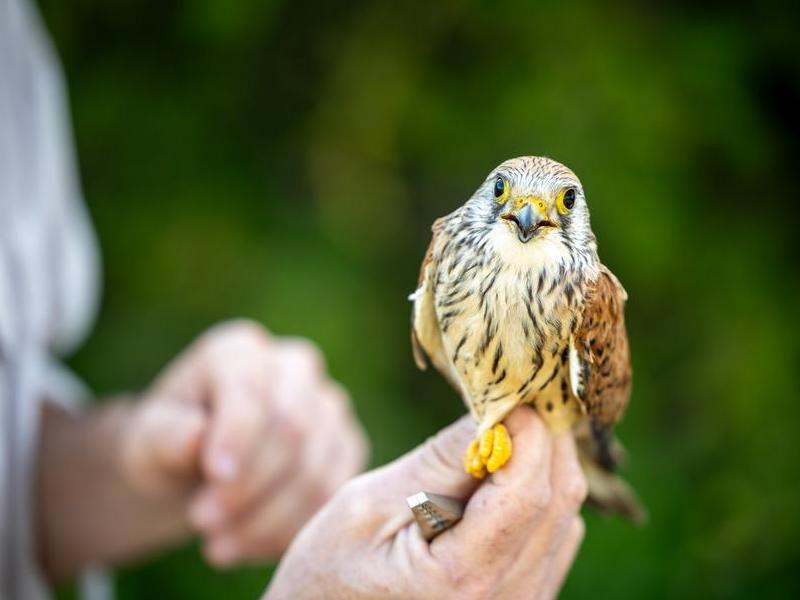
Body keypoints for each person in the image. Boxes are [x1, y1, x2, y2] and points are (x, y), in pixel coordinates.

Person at [0, 0, 587, 598]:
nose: (529, 215)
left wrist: (135, 457)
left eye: (559, 206)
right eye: (506, 193)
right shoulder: (450, 261)